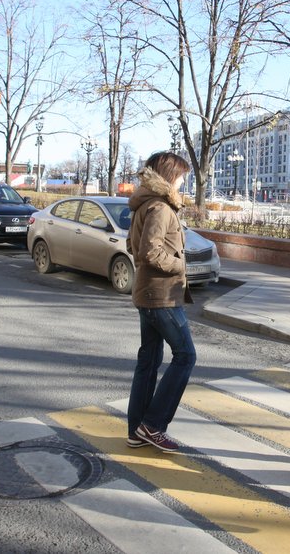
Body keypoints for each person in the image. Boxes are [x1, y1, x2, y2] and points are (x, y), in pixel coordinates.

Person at [125, 151, 196, 453]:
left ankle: (136, 430)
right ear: (170, 176)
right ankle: (152, 425)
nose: (183, 182)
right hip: (161, 296)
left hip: (149, 293)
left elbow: (131, 244)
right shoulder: (160, 208)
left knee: (150, 361)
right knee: (185, 356)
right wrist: (180, 266)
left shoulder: (145, 204)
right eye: (181, 177)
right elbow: (149, 252)